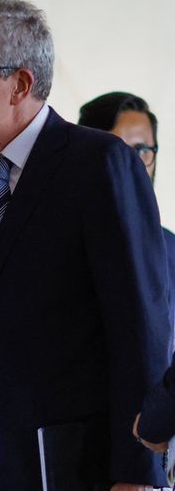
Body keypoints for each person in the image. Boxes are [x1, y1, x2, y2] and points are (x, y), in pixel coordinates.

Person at [0, 0, 170, 490]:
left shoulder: (98, 164)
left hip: (66, 460)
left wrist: (137, 469)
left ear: (20, 83)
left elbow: (139, 325)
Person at [78, 92, 175, 334]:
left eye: (143, 150)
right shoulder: (55, 240)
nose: (134, 163)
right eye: (118, 149)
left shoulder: (169, 248)